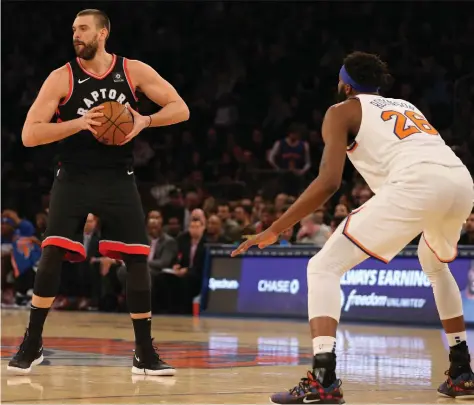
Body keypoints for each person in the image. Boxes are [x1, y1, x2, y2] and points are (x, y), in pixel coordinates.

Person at [232, 51, 474, 403]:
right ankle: (462, 371)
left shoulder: (339, 111)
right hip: (460, 180)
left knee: (322, 267)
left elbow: (329, 182)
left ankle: (323, 378)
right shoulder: (406, 106)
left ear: (344, 84)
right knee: (435, 264)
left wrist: (276, 228)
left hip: (418, 182)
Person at [8, 9, 189, 375]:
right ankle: (33, 341)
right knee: (52, 253)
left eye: (84, 28)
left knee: (138, 258)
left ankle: (143, 352)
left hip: (118, 175)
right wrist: (78, 123)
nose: (76, 34)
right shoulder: (62, 77)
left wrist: (145, 120)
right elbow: (29, 134)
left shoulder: (132, 70)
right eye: (74, 29)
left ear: (103, 33)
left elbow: (180, 108)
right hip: (73, 175)